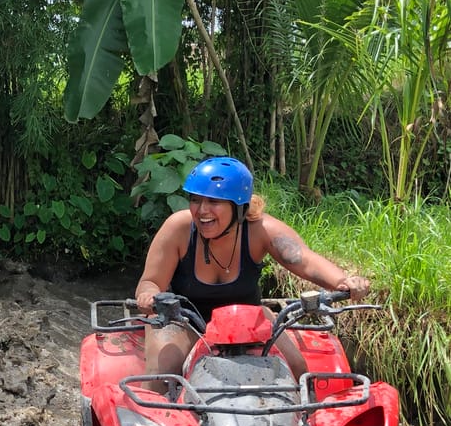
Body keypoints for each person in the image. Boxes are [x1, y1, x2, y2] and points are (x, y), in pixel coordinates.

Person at [134, 156, 369, 387]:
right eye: (195, 200)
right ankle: (154, 422)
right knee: (163, 375)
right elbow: (150, 282)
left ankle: (304, 423)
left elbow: (303, 259)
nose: (202, 210)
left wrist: (343, 280)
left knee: (297, 368)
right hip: (184, 320)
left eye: (214, 202)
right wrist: (148, 295)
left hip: (249, 321)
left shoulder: (260, 230)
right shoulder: (179, 228)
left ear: (239, 208)